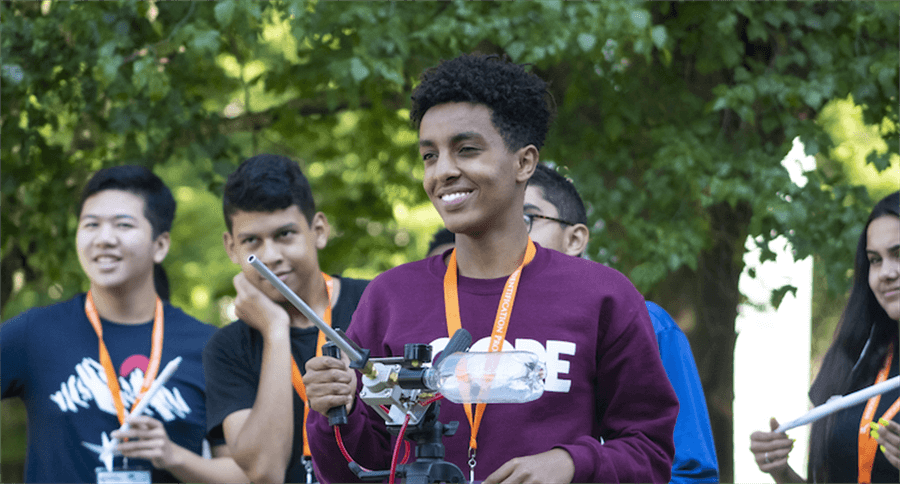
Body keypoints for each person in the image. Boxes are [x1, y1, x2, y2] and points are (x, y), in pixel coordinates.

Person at [303, 53, 678, 483]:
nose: (443, 171)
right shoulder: (391, 297)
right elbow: (353, 471)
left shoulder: (602, 295)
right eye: (429, 155)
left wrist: (573, 463)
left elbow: (650, 454)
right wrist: (337, 409)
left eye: (466, 150)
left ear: (524, 163)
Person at [0, 165, 246, 483]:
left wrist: (173, 456)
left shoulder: (208, 346)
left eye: (123, 224)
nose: (104, 239)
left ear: (160, 245)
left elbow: (243, 475)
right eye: (91, 225)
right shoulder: (35, 334)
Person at [523, 162, 719, 483]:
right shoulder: (468, 329)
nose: (509, 235)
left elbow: (689, 472)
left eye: (526, 219)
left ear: (575, 240)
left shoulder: (646, 323)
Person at [202, 154, 369, 483]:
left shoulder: (374, 303)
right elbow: (265, 472)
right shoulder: (226, 347)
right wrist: (275, 331)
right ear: (231, 247)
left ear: (318, 230)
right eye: (252, 241)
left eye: (284, 235)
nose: (270, 257)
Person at [750, 190, 900, 483]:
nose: (886, 272)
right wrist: (781, 472)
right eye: (874, 259)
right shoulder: (855, 358)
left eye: (899, 254)